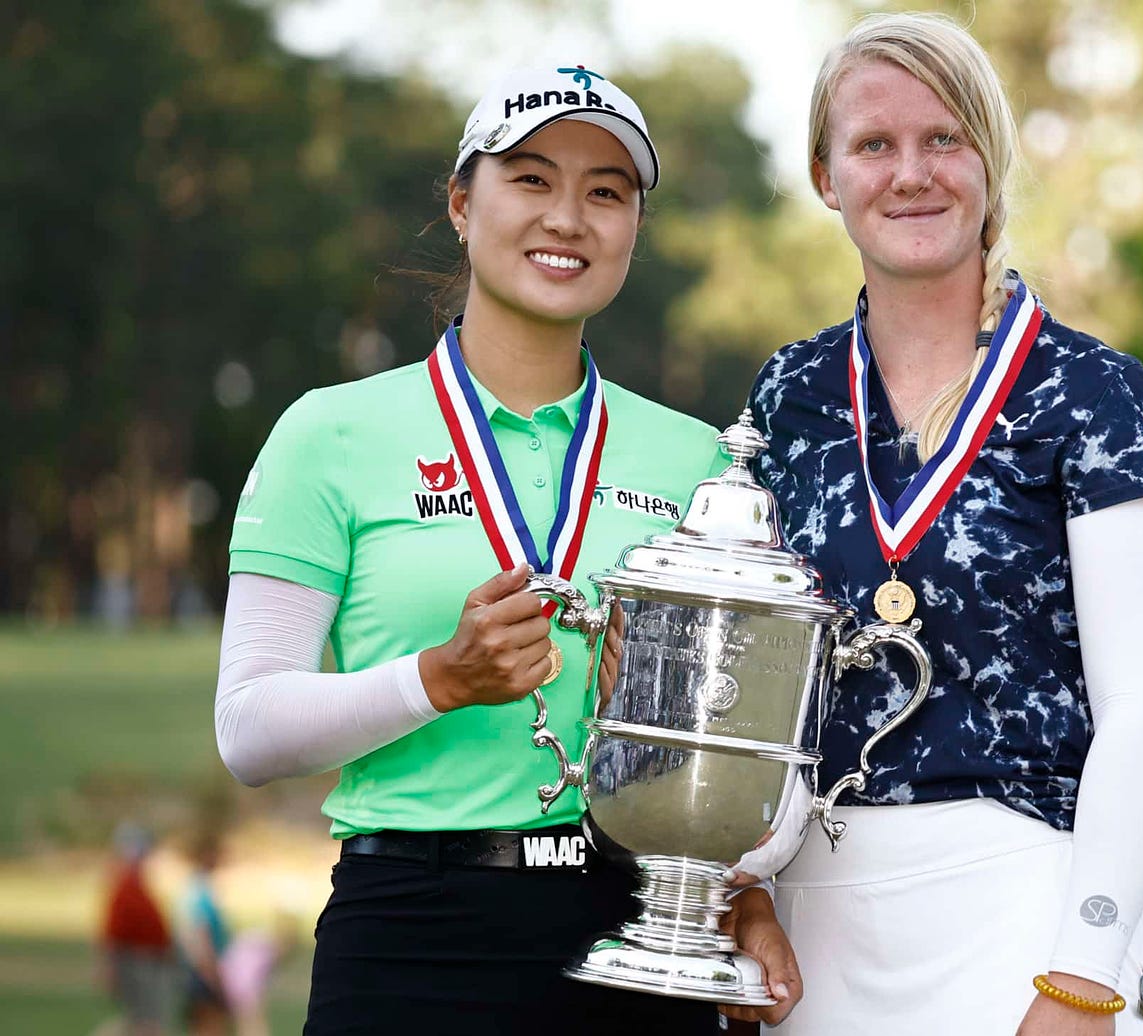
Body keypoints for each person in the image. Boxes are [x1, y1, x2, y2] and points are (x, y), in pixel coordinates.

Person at [216, 66, 768, 1033]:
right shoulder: (331, 432)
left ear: (634, 231)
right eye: (532, 179)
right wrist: (440, 677)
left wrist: (749, 891)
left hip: (639, 929)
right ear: (463, 205)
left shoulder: (701, 461)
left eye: (607, 192)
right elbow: (251, 730)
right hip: (411, 931)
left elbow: (734, 734)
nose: (568, 217)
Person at [732, 12, 1143, 1035]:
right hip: (815, 934)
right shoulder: (788, 394)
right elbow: (745, 691)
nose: (912, 173)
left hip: (1031, 913)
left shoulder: (1101, 398)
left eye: (943, 138)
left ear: (990, 158)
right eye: (874, 144)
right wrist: (744, 895)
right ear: (825, 174)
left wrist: (1082, 974)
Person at [96, 822, 175, 1036]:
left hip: (148, 961)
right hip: (136, 962)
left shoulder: (137, 883)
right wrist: (109, 966)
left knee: (142, 1020)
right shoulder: (125, 884)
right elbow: (113, 932)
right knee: (145, 1021)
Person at [174, 828, 231, 1036]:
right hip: (201, 969)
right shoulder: (200, 890)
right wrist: (212, 974)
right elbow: (200, 935)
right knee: (209, 1025)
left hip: (196, 967)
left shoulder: (194, 887)